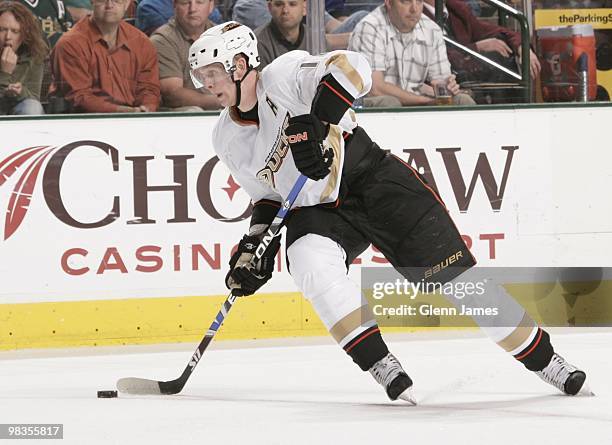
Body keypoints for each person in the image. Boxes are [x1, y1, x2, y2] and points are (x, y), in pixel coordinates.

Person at [188, 21, 588, 402]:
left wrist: (318, 121)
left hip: (370, 178)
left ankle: (546, 360)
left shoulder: (284, 75)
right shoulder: (225, 136)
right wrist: (255, 247)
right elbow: (267, 197)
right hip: (320, 210)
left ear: (239, 65)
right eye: (201, 76)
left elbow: (353, 67)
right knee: (306, 258)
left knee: (457, 281)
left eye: (212, 73)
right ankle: (381, 364)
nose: (206, 84)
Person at [348, 0, 475, 106]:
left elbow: (441, 83)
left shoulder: (432, 30)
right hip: (369, 102)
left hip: (416, 98)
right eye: (406, 1)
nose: (414, 9)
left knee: (463, 101)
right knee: (390, 103)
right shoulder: (370, 27)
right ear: (388, 2)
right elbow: (375, 89)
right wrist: (426, 100)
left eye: (419, 1)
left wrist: (448, 87)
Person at [49, 0, 160, 113]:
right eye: (102, 0)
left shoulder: (141, 42)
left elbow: (149, 89)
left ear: (127, 4)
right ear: (92, 2)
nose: (109, 5)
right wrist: (125, 112)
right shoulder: (70, 44)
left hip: (134, 121)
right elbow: (79, 98)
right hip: (81, 122)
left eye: (117, 0)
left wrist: (146, 108)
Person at [422, 0, 541, 83]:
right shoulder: (415, 15)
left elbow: (499, 32)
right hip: (442, 84)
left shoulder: (457, 9)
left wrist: (523, 48)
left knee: (503, 56)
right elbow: (438, 55)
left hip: (471, 81)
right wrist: (477, 47)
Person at [150, 0, 220, 111]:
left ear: (211, 6)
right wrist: (222, 101)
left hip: (223, 109)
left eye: (199, 2)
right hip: (182, 116)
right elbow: (173, 94)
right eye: (185, 3)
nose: (193, 9)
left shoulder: (222, 37)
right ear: (174, 5)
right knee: (194, 111)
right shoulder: (162, 40)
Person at [0, 1, 48, 115]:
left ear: (24, 34)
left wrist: (20, 92)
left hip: (18, 109)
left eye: (15, 31)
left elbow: (35, 97)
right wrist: (5, 73)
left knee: (32, 107)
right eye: (2, 30)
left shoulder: (34, 53)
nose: (8, 37)